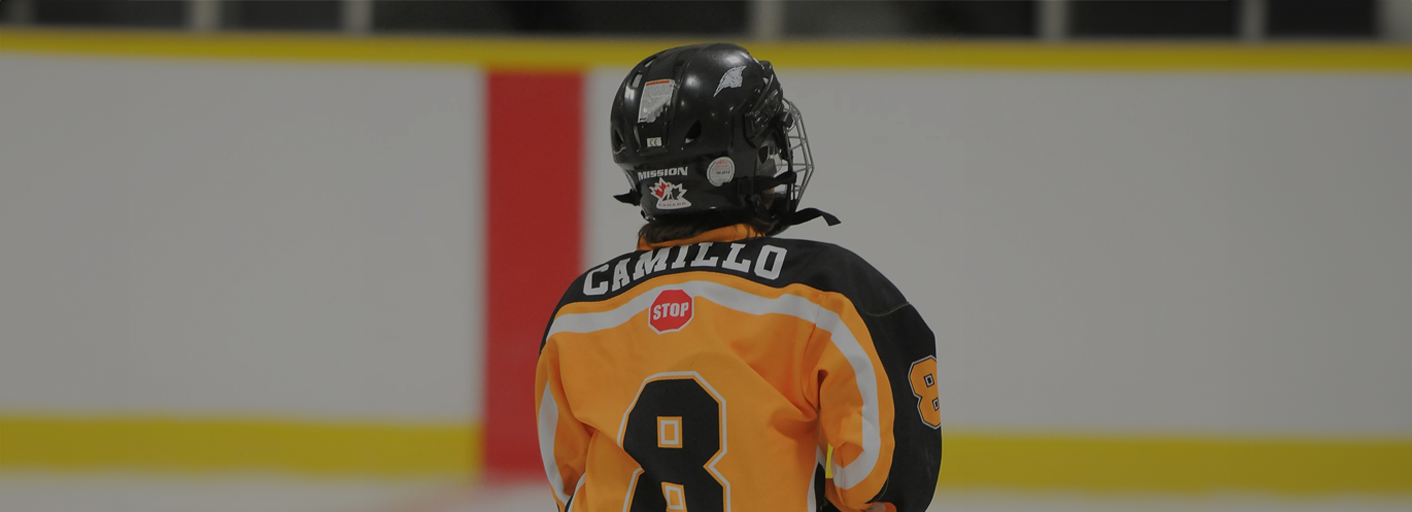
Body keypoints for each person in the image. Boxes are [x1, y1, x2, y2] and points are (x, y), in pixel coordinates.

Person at [534, 43, 940, 512]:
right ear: (737, 163)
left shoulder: (581, 312)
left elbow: (570, 484)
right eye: (766, 146)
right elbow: (881, 483)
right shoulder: (823, 293)